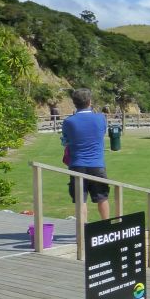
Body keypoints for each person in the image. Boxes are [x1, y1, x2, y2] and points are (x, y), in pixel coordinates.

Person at [61, 88, 110, 221]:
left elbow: (65, 142)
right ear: (89, 101)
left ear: (74, 103)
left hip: (77, 165)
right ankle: (107, 227)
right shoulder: (101, 118)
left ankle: (83, 231)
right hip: (97, 165)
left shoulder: (68, 122)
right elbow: (101, 134)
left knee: (80, 201)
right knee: (102, 198)